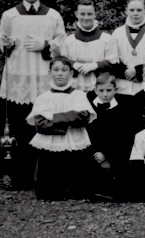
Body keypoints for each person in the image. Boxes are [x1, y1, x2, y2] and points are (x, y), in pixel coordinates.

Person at [0, 0, 65, 189]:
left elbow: (62, 43)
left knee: (42, 124)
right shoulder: (10, 16)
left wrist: (46, 45)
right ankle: (20, 178)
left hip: (42, 77)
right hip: (18, 77)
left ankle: (43, 176)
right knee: (19, 127)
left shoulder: (53, 16)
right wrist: (6, 44)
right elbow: (2, 42)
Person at [26, 56, 96, 200]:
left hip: (74, 142)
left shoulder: (79, 95)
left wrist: (53, 117)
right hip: (50, 144)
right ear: (49, 73)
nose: (60, 73)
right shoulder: (44, 97)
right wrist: (67, 122)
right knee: (48, 190)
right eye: (56, 70)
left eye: (64, 70)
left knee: (77, 181)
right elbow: (40, 124)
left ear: (71, 73)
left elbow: (82, 117)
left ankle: (74, 190)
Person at [60, 0, 119, 92]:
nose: (86, 17)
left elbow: (114, 65)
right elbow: (62, 62)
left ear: (95, 14)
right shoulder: (69, 40)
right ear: (76, 14)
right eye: (82, 14)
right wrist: (73, 64)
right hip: (74, 89)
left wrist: (96, 65)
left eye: (89, 14)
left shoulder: (107, 39)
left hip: (100, 90)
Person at [86, 73, 134, 190]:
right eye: (101, 90)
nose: (105, 94)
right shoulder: (90, 108)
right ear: (95, 90)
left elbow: (122, 136)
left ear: (115, 90)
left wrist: (107, 155)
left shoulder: (121, 109)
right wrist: (97, 153)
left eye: (109, 90)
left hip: (114, 152)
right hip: (94, 151)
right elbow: (89, 134)